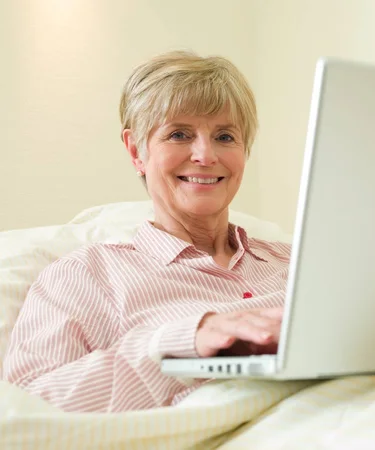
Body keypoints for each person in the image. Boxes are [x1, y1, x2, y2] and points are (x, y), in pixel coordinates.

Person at [1, 51, 290, 413]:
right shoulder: (85, 276)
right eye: (179, 134)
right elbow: (26, 409)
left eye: (225, 137)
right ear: (136, 151)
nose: (205, 154)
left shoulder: (296, 264)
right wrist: (178, 345)